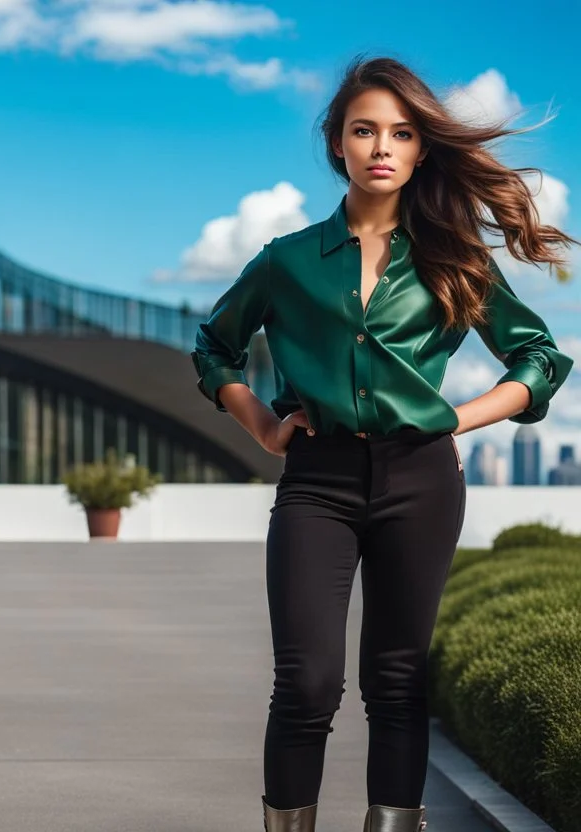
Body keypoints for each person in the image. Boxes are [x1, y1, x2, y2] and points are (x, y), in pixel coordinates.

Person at [191, 56, 573, 832]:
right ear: (337, 142)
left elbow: (540, 358)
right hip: (317, 478)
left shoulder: (453, 257)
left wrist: (455, 418)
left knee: (398, 681)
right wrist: (264, 426)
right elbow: (212, 350)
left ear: (422, 150)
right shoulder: (287, 262)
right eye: (364, 130)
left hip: (421, 478)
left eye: (401, 133)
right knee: (306, 681)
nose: (381, 147)